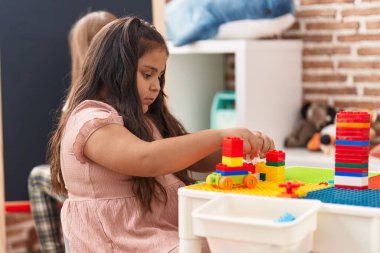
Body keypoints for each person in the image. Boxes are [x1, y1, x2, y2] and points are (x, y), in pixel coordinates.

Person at [48, 16, 274, 253]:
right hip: (121, 241)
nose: (156, 86)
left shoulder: (143, 119)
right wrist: (218, 136)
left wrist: (236, 147)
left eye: (159, 76)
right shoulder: (92, 121)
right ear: (114, 69)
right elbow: (148, 159)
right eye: (147, 75)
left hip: (165, 230)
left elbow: (190, 158)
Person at [28, 11, 117, 253]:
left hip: (92, 195)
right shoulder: (132, 91)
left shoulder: (79, 101)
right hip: (118, 185)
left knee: (37, 177)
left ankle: (51, 249)